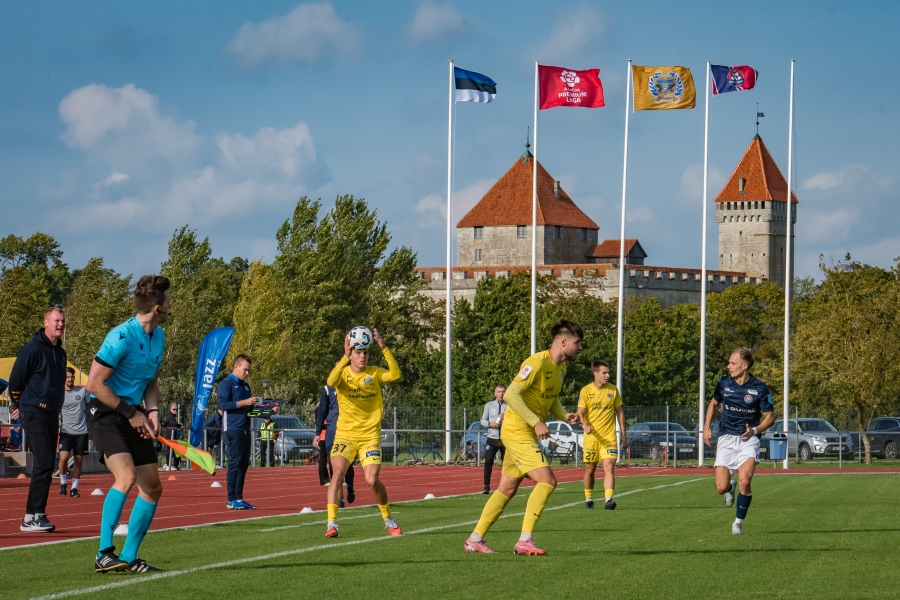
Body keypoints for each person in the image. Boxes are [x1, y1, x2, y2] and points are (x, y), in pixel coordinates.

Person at [465, 319, 584, 556]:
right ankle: (524, 540)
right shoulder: (536, 362)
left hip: (524, 431)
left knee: (507, 489)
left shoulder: (561, 369)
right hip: (517, 430)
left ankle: (475, 539)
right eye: (578, 342)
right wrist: (535, 421)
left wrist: (564, 415)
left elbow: (550, 399)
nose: (580, 348)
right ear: (563, 341)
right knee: (547, 481)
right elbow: (511, 393)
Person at [86, 275, 170, 573]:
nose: (171, 305)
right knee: (126, 475)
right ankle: (103, 553)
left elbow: (151, 380)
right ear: (158, 308)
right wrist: (132, 414)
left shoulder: (159, 336)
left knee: (153, 487)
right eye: (168, 300)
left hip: (134, 412)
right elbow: (94, 384)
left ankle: (129, 557)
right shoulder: (120, 336)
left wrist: (153, 411)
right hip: (105, 411)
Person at [324, 328, 401, 538]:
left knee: (372, 480)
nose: (362, 356)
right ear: (351, 354)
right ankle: (332, 524)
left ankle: (388, 519)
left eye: (365, 352)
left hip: (369, 437)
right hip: (345, 436)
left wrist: (384, 348)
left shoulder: (375, 373)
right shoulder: (343, 374)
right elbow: (330, 381)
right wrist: (344, 356)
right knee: (337, 473)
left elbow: (395, 374)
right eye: (358, 352)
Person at [8, 308, 68, 533]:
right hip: (34, 411)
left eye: (63, 321)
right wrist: (17, 405)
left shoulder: (60, 352)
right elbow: (15, 381)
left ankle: (30, 516)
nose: (60, 324)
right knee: (44, 462)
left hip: (52, 413)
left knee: (46, 463)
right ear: (46, 322)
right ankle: (37, 515)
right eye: (56, 320)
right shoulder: (32, 350)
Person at [703, 347, 774, 535]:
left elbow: (770, 417)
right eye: (729, 362)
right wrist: (706, 427)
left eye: (732, 363)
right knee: (721, 488)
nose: (728, 366)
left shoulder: (759, 388)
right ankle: (730, 487)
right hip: (726, 437)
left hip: (748, 439)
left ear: (745, 366)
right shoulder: (723, 383)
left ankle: (738, 523)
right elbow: (713, 404)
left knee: (745, 480)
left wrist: (755, 431)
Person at [577, 360, 625, 510]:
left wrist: (624, 434)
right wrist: (584, 426)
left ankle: (608, 500)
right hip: (592, 437)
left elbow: (619, 412)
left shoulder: (613, 390)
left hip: (609, 437)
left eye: (608, 372)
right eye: (604, 373)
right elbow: (580, 412)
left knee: (609, 467)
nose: (607, 375)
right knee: (590, 469)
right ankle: (589, 499)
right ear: (595, 374)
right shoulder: (586, 391)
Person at [216, 355, 260, 509]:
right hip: (232, 428)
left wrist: (267, 410)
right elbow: (223, 405)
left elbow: (250, 410)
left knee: (243, 464)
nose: (247, 373)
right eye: (245, 369)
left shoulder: (246, 386)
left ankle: (239, 498)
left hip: (245, 428)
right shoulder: (226, 383)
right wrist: (245, 402)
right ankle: (231, 499)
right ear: (236, 366)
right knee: (234, 463)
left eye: (248, 370)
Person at [314, 359, 355, 504]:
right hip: (333, 430)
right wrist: (317, 433)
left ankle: (350, 485)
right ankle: (339, 497)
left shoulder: (353, 385)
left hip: (348, 429)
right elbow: (321, 412)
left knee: (347, 464)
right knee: (334, 464)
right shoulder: (328, 388)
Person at [59, 366, 90, 498]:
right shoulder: (59, 394)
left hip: (81, 431)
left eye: (72, 377)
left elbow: (90, 407)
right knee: (64, 458)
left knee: (78, 460)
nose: (70, 379)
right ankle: (63, 482)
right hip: (66, 431)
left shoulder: (82, 391)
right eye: (68, 377)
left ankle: (74, 488)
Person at [479, 384, 507, 494]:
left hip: (505, 439)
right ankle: (486, 486)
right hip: (492, 439)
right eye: (499, 392)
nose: (501, 394)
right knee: (488, 462)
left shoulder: (510, 405)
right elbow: (482, 420)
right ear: (495, 393)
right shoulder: (489, 405)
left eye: (503, 391)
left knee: (507, 464)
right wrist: (490, 424)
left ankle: (505, 486)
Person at [162, 404, 182, 471]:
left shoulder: (171, 416)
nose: (175, 411)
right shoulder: (170, 416)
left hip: (171, 436)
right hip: (170, 436)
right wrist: (179, 425)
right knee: (172, 450)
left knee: (172, 450)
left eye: (176, 409)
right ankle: (169, 464)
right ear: (170, 409)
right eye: (174, 409)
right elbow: (174, 425)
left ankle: (168, 464)